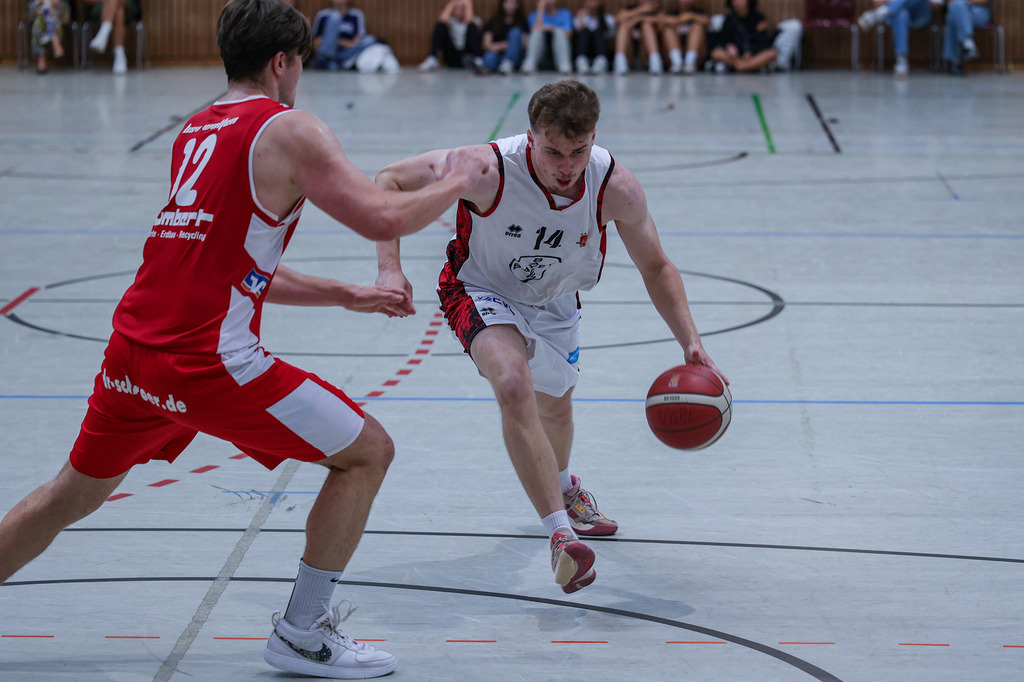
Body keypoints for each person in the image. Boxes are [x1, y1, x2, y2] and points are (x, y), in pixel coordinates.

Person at [0, 0, 486, 678]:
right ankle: (302, 631)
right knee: (368, 453)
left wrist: (345, 294)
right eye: (302, 64)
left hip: (132, 352)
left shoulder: (195, 129)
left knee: (67, 497)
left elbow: (230, 261)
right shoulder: (289, 129)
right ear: (283, 62)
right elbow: (379, 214)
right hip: (207, 363)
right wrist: (462, 178)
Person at [374, 80, 727, 595]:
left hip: (555, 300)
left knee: (556, 408)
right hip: (480, 288)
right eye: (553, 151)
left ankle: (565, 488)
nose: (566, 165)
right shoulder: (488, 169)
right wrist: (389, 268)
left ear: (594, 138)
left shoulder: (614, 186)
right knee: (513, 382)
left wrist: (691, 343)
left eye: (577, 151)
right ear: (531, 136)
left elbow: (656, 266)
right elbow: (390, 180)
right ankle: (561, 538)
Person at [310, 0, 399, 73]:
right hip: (327, 52)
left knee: (369, 39)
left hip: (345, 53)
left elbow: (357, 40)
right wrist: (335, 43)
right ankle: (327, 61)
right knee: (335, 16)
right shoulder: (323, 15)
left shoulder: (356, 15)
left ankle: (337, 63)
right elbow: (316, 41)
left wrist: (335, 41)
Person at [857, 0, 933, 76]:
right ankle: (901, 59)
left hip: (920, 14)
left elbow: (936, 5)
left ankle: (877, 14)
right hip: (896, 16)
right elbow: (878, 3)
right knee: (901, 14)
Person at [708, 0, 778, 73]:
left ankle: (738, 67)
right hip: (736, 56)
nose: (738, 3)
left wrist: (750, 52)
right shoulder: (729, 19)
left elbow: (763, 41)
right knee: (716, 53)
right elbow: (724, 39)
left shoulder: (758, 18)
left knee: (772, 54)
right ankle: (749, 67)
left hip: (753, 55)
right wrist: (729, 46)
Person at [417, 0, 486, 72]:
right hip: (452, 56)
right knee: (440, 25)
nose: (460, 9)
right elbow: (441, 20)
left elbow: (469, 21)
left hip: (468, 56)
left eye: (462, 7)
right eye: (457, 8)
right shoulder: (450, 21)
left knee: (471, 27)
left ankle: (478, 60)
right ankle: (432, 58)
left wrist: (468, 3)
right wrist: (452, 4)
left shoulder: (475, 20)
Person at [85, 0, 139, 74]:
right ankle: (119, 55)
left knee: (117, 6)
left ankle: (103, 33)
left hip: (127, 4)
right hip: (100, 6)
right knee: (119, 12)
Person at [657, 0, 710, 74]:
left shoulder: (699, 12)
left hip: (697, 57)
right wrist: (677, 20)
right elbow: (659, 25)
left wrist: (691, 16)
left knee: (698, 26)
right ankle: (676, 62)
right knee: (667, 29)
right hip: (671, 56)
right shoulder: (670, 12)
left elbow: (708, 22)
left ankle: (690, 62)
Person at [521, 0, 574, 75]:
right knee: (537, 32)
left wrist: (550, 29)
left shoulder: (565, 13)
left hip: (559, 55)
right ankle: (530, 62)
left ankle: (564, 65)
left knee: (559, 32)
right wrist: (540, 10)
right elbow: (534, 29)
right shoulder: (534, 15)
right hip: (541, 56)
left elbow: (569, 34)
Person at [941, 0, 991, 75]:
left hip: (978, 11)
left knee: (955, 13)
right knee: (955, 13)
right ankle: (968, 43)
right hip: (956, 11)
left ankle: (955, 62)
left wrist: (964, 2)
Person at [612, 0, 660, 74]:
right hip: (630, 52)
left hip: (644, 54)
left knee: (646, 25)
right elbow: (618, 18)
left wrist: (639, 19)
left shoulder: (655, 10)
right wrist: (640, 10)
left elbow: (663, 20)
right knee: (624, 26)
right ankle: (620, 61)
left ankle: (655, 61)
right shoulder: (631, 8)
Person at [482, 0, 529, 74]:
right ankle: (502, 66)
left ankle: (508, 63)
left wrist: (512, 46)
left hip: (515, 55)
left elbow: (526, 44)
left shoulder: (522, 21)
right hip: (499, 52)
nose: (511, 6)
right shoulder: (493, 21)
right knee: (489, 57)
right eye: (507, 2)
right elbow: (486, 45)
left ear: (518, 5)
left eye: (514, 3)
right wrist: (501, 46)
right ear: (502, 4)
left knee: (515, 32)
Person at [27, 0, 69, 74]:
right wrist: (38, 2)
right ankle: (54, 38)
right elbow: (29, 10)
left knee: (40, 21)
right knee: (41, 17)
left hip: (58, 11)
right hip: (37, 11)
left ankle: (41, 57)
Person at [573, 0, 615, 74]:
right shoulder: (580, 18)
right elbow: (578, 30)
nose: (592, 4)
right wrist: (581, 16)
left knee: (599, 32)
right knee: (584, 32)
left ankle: (601, 62)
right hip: (585, 49)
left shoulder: (608, 18)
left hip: (601, 50)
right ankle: (582, 61)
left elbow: (611, 38)